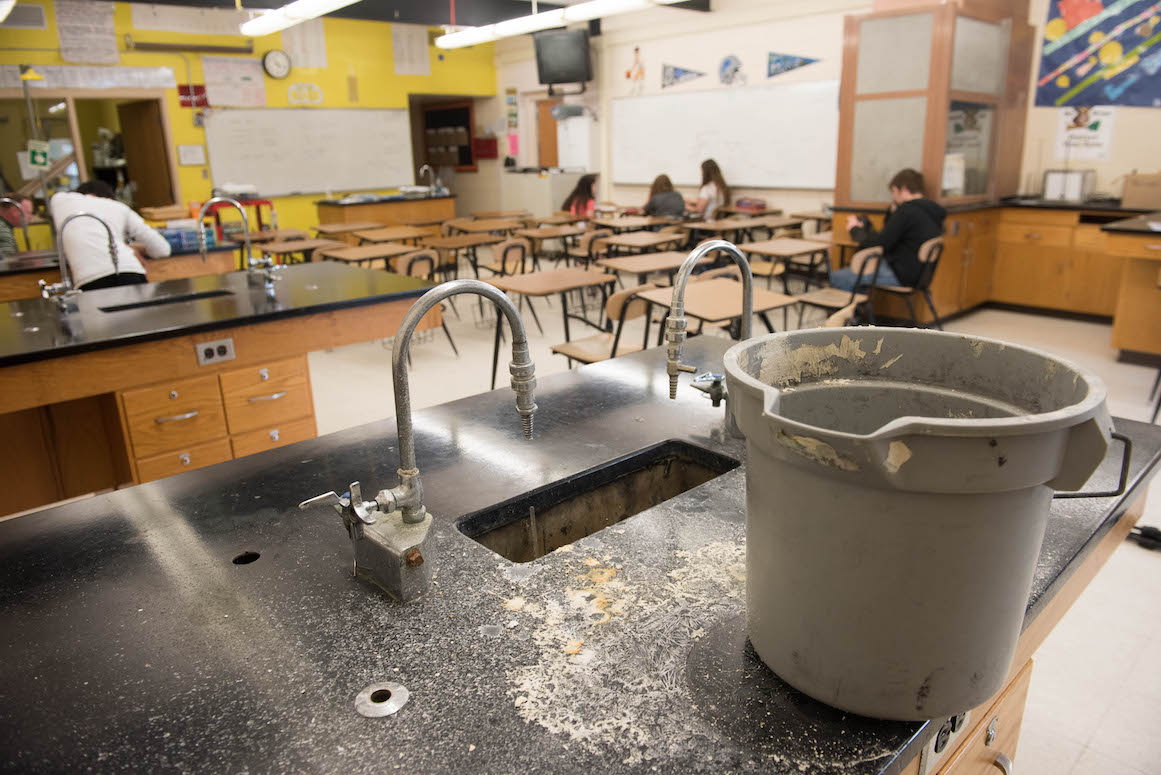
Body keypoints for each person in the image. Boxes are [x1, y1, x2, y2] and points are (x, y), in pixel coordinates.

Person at [830, 168, 945, 292]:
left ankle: (856, 310)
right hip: (919, 275)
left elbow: (879, 245)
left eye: (894, 192)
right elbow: (889, 237)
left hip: (901, 275)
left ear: (904, 189)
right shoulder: (932, 211)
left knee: (837, 277)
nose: (893, 197)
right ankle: (860, 309)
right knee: (859, 273)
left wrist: (854, 229)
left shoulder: (907, 211)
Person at [49, 180, 171, 291]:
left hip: (90, 281)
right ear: (109, 198)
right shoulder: (119, 207)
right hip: (131, 274)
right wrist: (130, 248)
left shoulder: (59, 200)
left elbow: (92, 236)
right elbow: (162, 249)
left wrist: (126, 246)